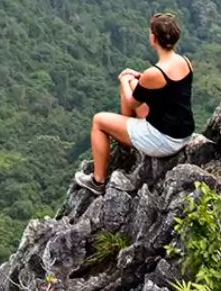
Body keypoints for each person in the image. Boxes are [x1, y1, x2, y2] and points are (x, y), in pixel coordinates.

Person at [74, 12, 194, 196]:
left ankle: (98, 181)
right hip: (183, 132)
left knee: (98, 121)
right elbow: (166, 88)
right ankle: (126, 146)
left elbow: (132, 100)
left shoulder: (153, 74)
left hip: (164, 140)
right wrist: (136, 78)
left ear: (154, 38)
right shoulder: (185, 62)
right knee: (133, 84)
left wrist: (123, 79)